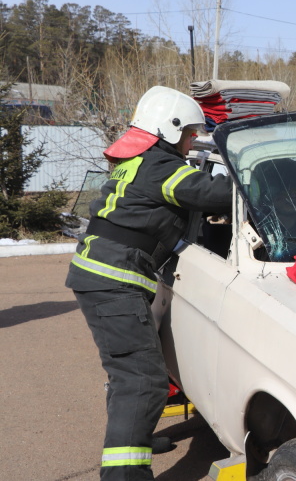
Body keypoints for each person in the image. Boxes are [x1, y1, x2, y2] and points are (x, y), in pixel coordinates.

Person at [65, 86, 232, 481]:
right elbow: (212, 193)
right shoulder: (162, 166)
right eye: (190, 134)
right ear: (169, 128)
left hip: (103, 273)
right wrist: (261, 178)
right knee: (140, 380)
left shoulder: (138, 158)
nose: (193, 141)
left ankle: (135, 438)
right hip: (114, 279)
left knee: (130, 372)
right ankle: (124, 473)